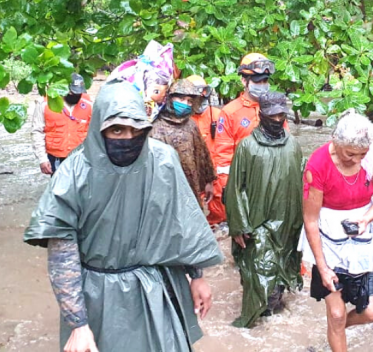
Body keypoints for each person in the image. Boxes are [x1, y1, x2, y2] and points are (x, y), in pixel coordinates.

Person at [23, 80, 224, 352]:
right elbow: (62, 256)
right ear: (99, 128)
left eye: (135, 129)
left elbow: (181, 221)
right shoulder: (74, 173)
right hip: (99, 294)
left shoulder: (162, 161)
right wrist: (79, 324)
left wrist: (196, 275)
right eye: (116, 129)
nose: (127, 138)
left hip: (158, 285)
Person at [299, 110, 373, 352]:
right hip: (327, 237)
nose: (358, 160)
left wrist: (366, 218)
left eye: (362, 154)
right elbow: (310, 220)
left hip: (363, 232)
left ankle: (337, 328)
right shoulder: (318, 164)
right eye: (350, 154)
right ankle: (337, 328)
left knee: (372, 312)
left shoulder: (372, 151)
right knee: (337, 312)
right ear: (335, 141)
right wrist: (322, 267)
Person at [224, 91, 304, 327]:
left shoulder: (292, 145)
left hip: (287, 220)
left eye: (282, 114)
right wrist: (238, 225)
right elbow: (235, 187)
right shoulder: (247, 147)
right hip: (256, 222)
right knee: (259, 273)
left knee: (282, 269)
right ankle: (256, 321)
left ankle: (274, 312)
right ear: (261, 114)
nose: (278, 119)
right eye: (273, 114)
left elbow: (302, 183)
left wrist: (304, 223)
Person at [213, 53, 276, 222]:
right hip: (244, 183)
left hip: (272, 180)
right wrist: (227, 192)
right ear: (244, 81)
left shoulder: (274, 108)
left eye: (265, 81)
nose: (262, 86)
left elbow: (286, 146)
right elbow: (223, 157)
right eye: (257, 81)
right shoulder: (229, 113)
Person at [150, 79, 216, 208]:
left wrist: (208, 181)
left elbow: (202, 153)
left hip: (191, 187)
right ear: (170, 98)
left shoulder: (191, 125)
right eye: (181, 99)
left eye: (189, 101)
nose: (185, 104)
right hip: (165, 191)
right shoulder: (155, 126)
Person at [32, 73, 93, 175]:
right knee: (58, 189)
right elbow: (37, 132)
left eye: (79, 93)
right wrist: (42, 159)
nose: (76, 96)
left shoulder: (89, 104)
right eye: (73, 92)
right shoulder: (45, 103)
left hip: (81, 157)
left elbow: (95, 133)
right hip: (55, 156)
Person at [187, 74, 226, 226]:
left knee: (220, 213)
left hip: (215, 173)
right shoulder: (182, 120)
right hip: (191, 174)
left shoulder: (217, 115)